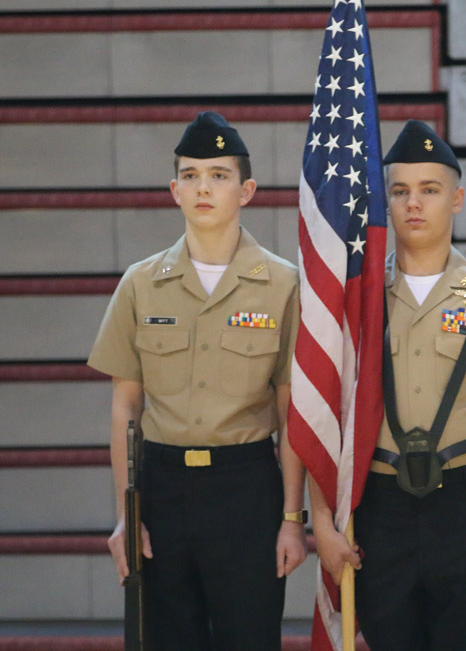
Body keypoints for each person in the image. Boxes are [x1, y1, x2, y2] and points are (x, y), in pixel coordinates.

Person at [309, 120, 466, 651]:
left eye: (430, 190)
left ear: (457, 199)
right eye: (400, 191)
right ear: (386, 202)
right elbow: (323, 414)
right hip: (380, 507)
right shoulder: (359, 296)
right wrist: (321, 520)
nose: (414, 203)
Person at [88, 111, 307, 651]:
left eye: (218, 175)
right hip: (162, 491)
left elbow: (292, 413)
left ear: (246, 190)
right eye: (190, 175)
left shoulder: (284, 285)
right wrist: (126, 515)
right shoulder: (140, 284)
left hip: (247, 490)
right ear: (175, 191)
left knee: (249, 639)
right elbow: (125, 407)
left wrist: (291, 518)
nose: (203, 187)